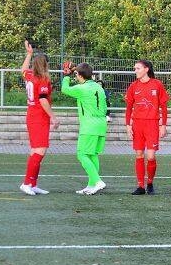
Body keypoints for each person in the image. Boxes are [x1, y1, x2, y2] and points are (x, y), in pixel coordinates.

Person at [19, 39, 60, 196]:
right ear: (45, 65)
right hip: (38, 117)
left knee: (36, 150)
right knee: (40, 150)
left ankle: (32, 183)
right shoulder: (42, 79)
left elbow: (23, 69)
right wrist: (54, 117)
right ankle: (26, 183)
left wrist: (29, 54)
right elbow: (43, 100)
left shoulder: (30, 75)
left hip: (32, 115)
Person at [61, 62, 108, 195]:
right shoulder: (99, 87)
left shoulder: (82, 88)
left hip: (89, 125)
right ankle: (91, 185)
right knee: (92, 154)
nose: (75, 76)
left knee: (81, 154)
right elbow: (105, 107)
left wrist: (66, 76)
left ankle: (98, 181)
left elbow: (65, 89)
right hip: (101, 124)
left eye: (76, 74)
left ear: (80, 75)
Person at [125, 60, 169, 195]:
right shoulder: (133, 86)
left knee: (150, 156)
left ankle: (150, 182)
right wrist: (128, 125)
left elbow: (164, 107)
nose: (135, 71)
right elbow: (129, 108)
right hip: (137, 124)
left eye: (138, 68)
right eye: (135, 69)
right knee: (139, 154)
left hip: (152, 124)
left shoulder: (157, 84)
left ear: (146, 69)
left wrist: (163, 125)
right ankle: (140, 186)